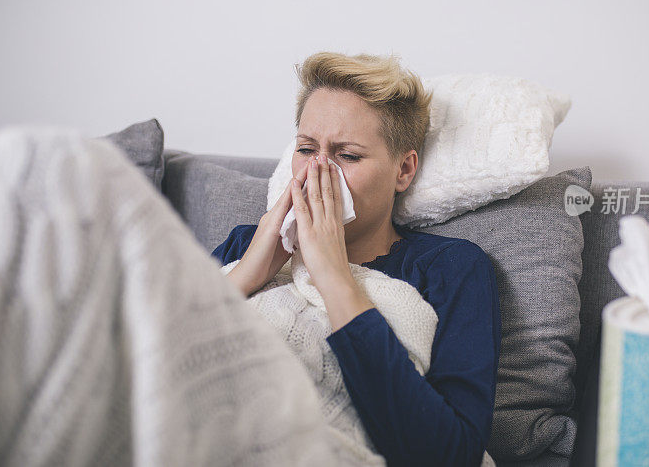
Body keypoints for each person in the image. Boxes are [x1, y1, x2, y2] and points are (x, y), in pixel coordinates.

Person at [211, 52, 502, 467]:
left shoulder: (450, 268)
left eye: (347, 155)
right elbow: (143, 362)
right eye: (307, 149)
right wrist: (246, 275)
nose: (317, 172)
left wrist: (333, 275)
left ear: (403, 170)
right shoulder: (247, 245)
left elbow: (450, 455)